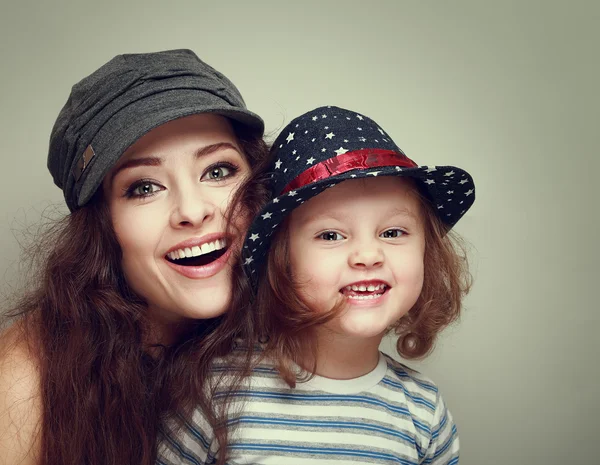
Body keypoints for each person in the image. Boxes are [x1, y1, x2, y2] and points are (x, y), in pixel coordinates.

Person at [159, 105, 474, 464]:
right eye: (330, 235)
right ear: (282, 261)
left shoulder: (425, 413)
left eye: (392, 232)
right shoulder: (215, 393)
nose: (368, 255)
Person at [0, 49, 269, 465]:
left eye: (218, 171)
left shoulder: (298, 330)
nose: (193, 211)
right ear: (103, 227)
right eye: (144, 187)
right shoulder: (27, 375)